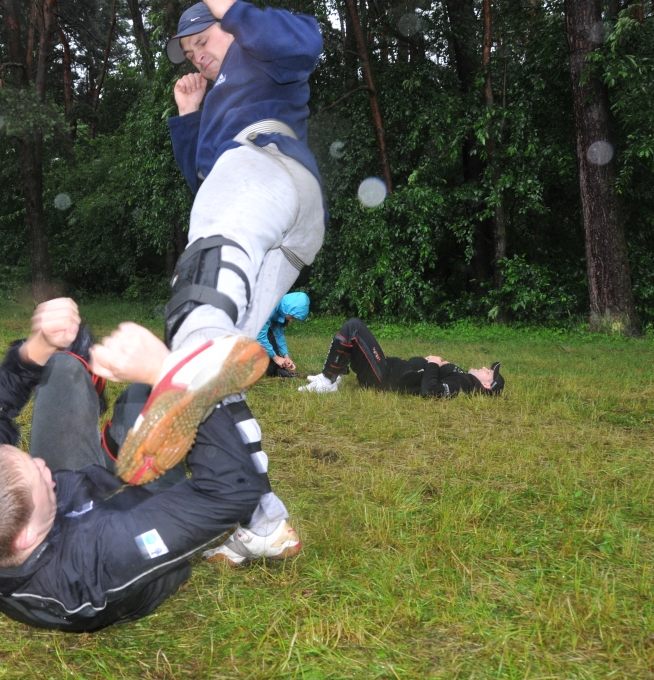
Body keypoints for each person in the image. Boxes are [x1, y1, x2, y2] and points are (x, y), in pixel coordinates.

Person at [0, 298, 299, 632]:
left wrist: (38, 345)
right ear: (27, 537)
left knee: (62, 366)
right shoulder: (100, 559)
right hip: (127, 533)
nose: (43, 466)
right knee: (175, 389)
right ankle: (253, 521)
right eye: (38, 477)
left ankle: (118, 445)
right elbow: (232, 491)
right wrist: (173, 374)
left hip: (81, 496)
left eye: (27, 459)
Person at [111, 0, 326, 565]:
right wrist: (188, 117)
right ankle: (260, 520)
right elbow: (205, 181)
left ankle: (199, 344)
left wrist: (231, 7)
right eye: (189, 53)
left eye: (204, 40)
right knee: (220, 372)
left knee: (198, 308)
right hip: (284, 213)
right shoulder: (215, 99)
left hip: (267, 165)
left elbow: (306, 41)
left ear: (231, 27)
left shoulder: (261, 56)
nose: (198, 56)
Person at [298, 318, 506, 397]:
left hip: (383, 376)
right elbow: (428, 375)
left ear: (487, 385)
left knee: (354, 328)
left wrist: (433, 364)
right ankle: (331, 378)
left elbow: (431, 391)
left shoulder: (464, 384)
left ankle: (327, 381)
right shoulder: (463, 377)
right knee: (355, 337)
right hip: (385, 370)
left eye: (488, 372)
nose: (483, 368)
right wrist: (429, 363)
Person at [258, 292, 309, 378]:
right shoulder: (269, 307)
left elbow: (278, 335)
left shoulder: (281, 311)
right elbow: (259, 336)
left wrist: (286, 356)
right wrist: (276, 358)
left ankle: (274, 369)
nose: (291, 321)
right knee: (266, 334)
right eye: (292, 317)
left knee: (270, 335)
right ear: (288, 308)